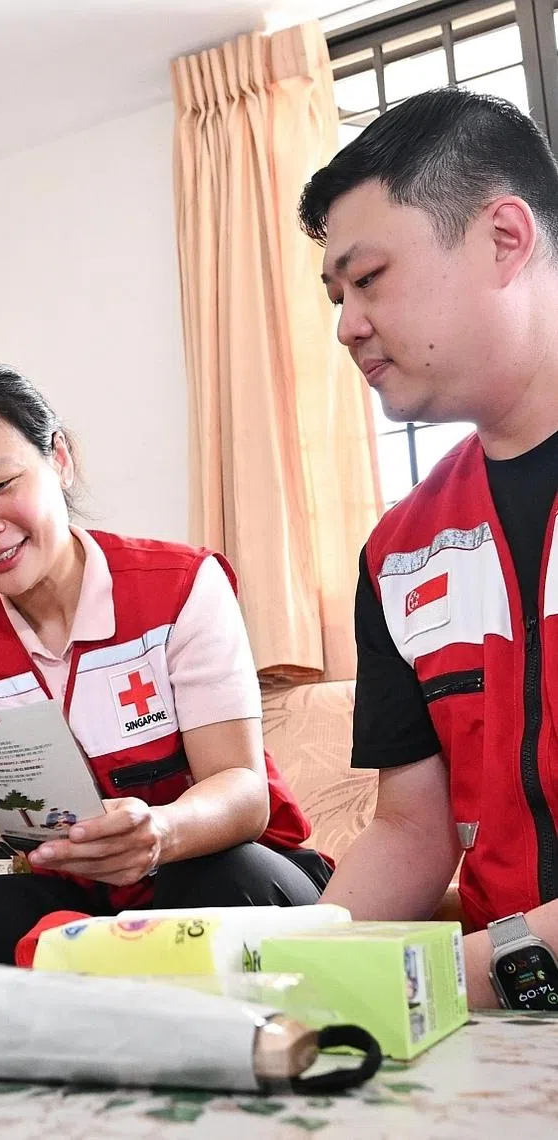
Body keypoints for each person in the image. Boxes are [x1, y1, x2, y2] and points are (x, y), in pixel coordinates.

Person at [0, 358, 331, 964]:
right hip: (81, 902)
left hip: (232, 877)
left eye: (1, 484)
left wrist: (161, 833)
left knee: (213, 887)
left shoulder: (179, 587)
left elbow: (245, 794)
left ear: (59, 460)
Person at [298, 87, 558, 1007]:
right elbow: (412, 830)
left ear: (504, 238)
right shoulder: (400, 553)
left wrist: (467, 973)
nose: (345, 324)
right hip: (508, 1007)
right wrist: (294, 967)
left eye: (368, 279)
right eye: (336, 295)